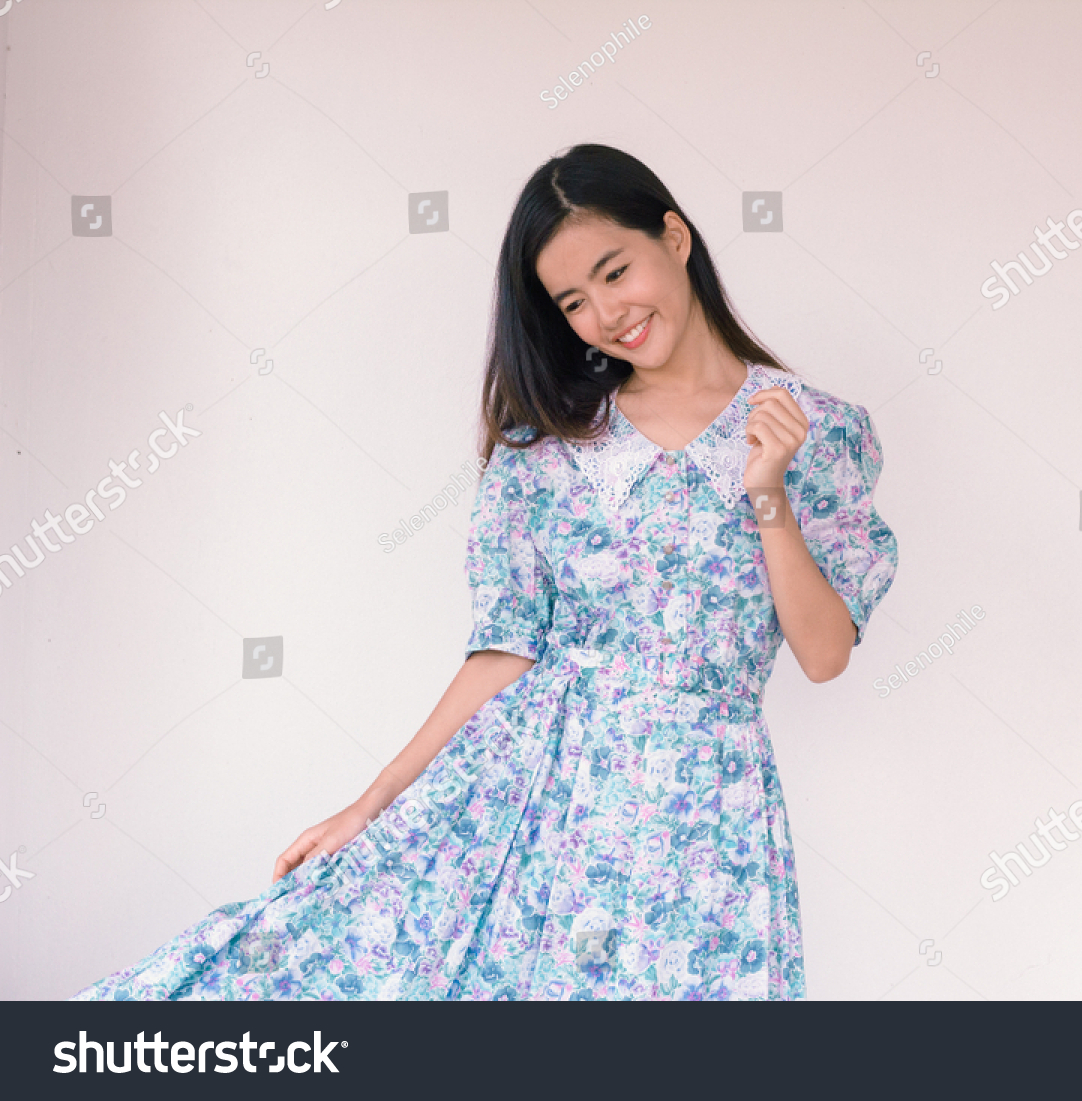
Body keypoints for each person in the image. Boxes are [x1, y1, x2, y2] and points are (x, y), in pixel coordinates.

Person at [71, 143, 897, 1001]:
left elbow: (824, 652)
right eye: (574, 301)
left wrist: (768, 493)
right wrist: (371, 804)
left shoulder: (815, 430)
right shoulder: (546, 450)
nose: (608, 314)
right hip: (534, 791)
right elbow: (504, 651)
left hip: (706, 809)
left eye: (616, 272)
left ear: (675, 238)